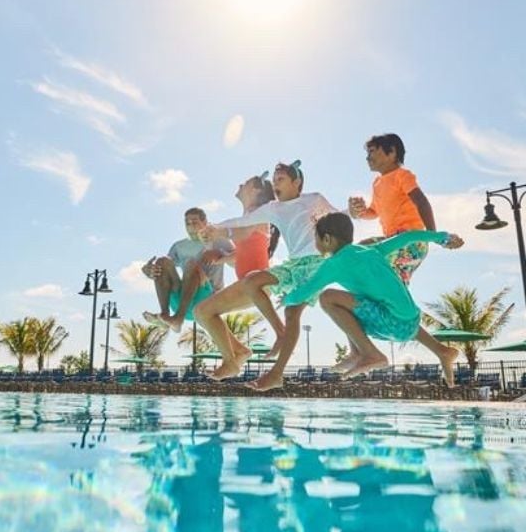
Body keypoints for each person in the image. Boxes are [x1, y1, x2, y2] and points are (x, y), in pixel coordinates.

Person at [195, 161, 337, 387]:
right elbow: (240, 228)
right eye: (274, 180)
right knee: (203, 311)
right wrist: (219, 246)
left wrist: (216, 230)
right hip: (285, 268)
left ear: (296, 182)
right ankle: (241, 353)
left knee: (292, 314)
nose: (276, 183)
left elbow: (338, 216)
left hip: (314, 264)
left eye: (280, 179)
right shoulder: (271, 210)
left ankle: (262, 362)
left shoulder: (311, 200)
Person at [285, 212, 464, 386]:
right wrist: (443, 237)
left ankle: (369, 353)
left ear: (327, 239)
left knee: (328, 298)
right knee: (367, 299)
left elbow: (303, 294)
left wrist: (285, 298)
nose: (314, 243)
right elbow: (409, 237)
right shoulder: (372, 250)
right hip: (412, 322)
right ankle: (442, 351)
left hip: (393, 324)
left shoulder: (333, 264)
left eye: (315, 238)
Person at [348, 133, 460, 381]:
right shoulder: (377, 184)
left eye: (373, 152)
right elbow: (373, 213)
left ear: (391, 153)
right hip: (394, 247)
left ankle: (359, 351)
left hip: (409, 241)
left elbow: (422, 202)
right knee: (392, 303)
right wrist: (359, 211)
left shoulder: (402, 176)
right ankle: (442, 351)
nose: (368, 157)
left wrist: (433, 236)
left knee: (358, 253)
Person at [142, 208, 234, 333]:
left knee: (191, 263)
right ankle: (165, 316)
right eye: (187, 223)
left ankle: (178, 319)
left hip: (207, 300)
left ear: (205, 222)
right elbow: (164, 273)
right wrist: (149, 271)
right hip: (181, 302)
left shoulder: (219, 241)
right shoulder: (179, 246)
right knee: (162, 261)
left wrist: (219, 253)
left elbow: (236, 261)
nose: (191, 226)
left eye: (195, 222)